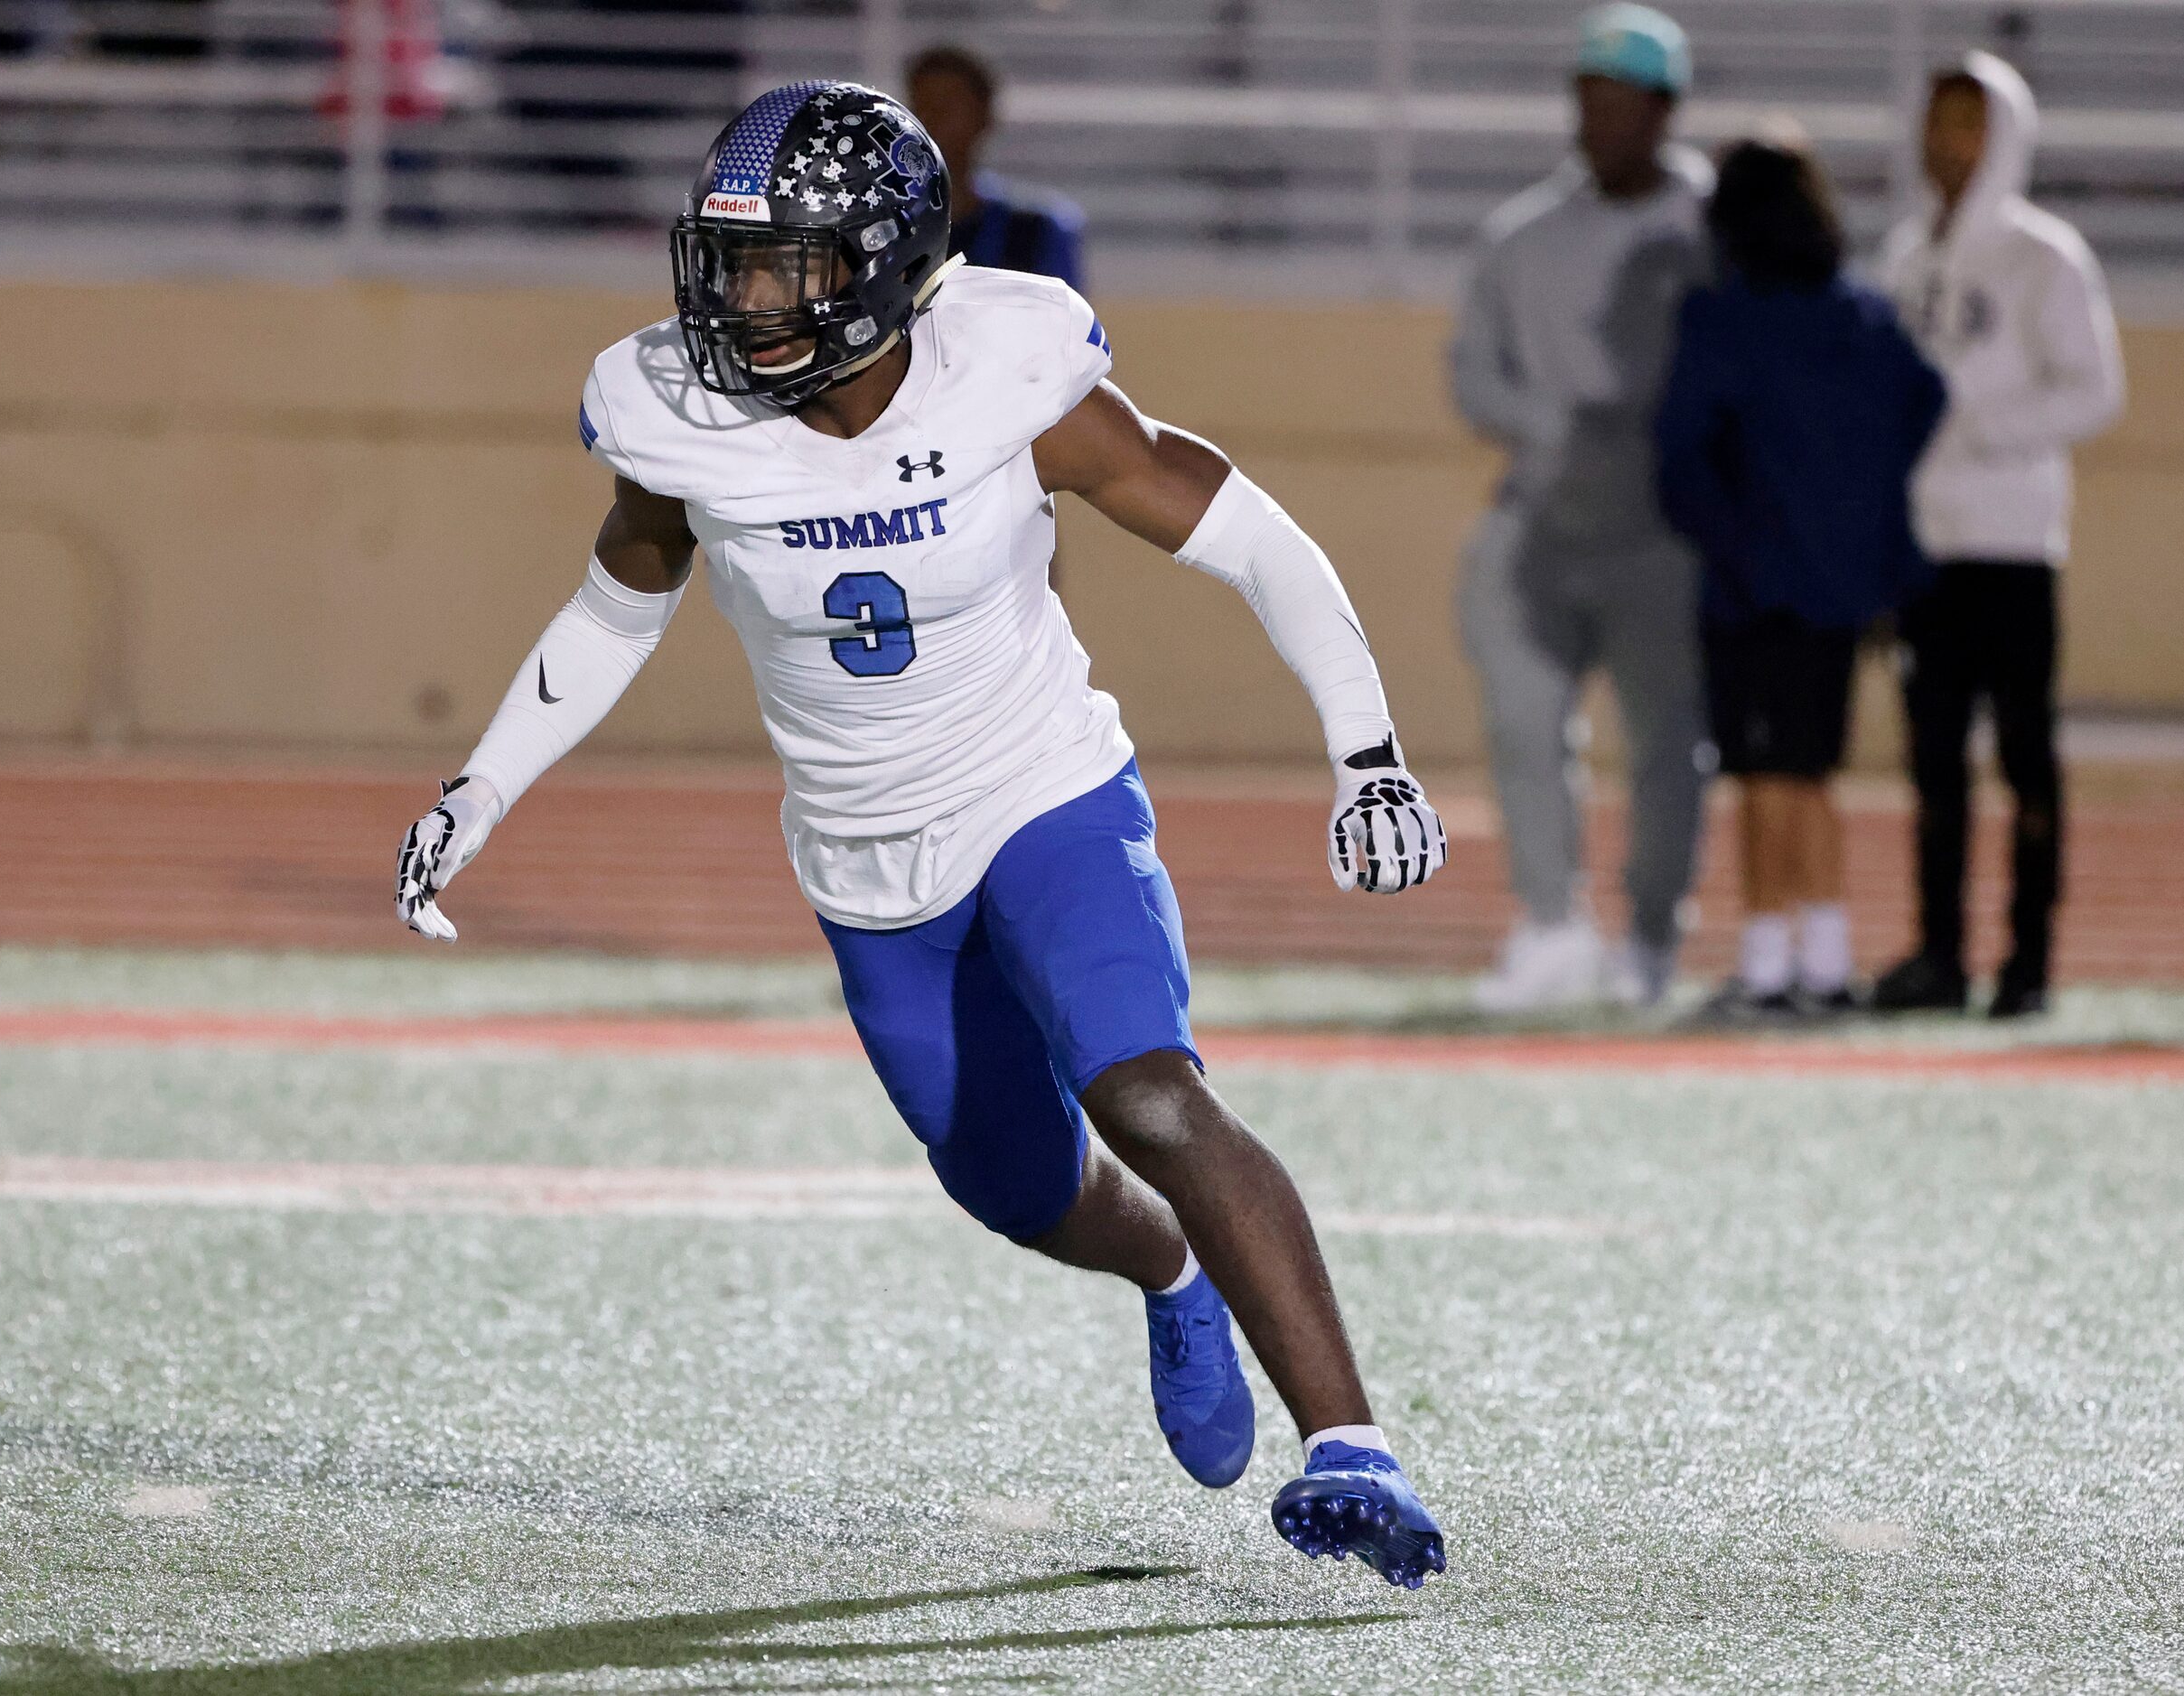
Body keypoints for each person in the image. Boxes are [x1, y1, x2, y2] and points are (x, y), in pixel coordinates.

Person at [395, 81, 1451, 1584]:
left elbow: (1255, 539)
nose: (745, 302)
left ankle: (1351, 1449)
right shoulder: (679, 418)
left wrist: (1367, 756)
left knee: (1147, 1090)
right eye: (730, 262)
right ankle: (1166, 1262)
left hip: (1042, 790)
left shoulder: (1008, 379)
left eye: (787, 267)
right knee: (1014, 1187)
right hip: (863, 855)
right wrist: (478, 787)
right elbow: (618, 601)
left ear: (886, 264)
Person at [1449, 4, 1711, 1012]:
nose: (1598, 121)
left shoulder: (1714, 227)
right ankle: (1552, 925)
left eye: (1621, 102)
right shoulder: (1520, 237)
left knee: (1668, 744)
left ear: (1665, 108)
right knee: (1523, 723)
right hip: (1541, 528)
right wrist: (1559, 423)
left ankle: (1651, 937)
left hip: (1667, 533)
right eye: (1586, 100)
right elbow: (1475, 377)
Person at [1656, 136, 1947, 1017]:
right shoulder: (1862, 316)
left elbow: (1680, 453)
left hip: (1750, 583)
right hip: (1838, 585)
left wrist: (1730, 533)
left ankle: (1768, 961)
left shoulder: (1722, 318)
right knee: (1814, 769)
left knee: (1761, 773)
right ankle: (1825, 959)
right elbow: (1925, 400)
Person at [1872, 54, 2124, 1020]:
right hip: (1922, 545)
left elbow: (2096, 390)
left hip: (2015, 545)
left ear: (2008, 134)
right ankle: (1940, 951)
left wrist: (1981, 427)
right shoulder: (1905, 257)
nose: (1949, 144)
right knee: (1933, 761)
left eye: (1970, 124)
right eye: (1937, 122)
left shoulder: (2044, 255)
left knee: (2025, 758)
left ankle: (2030, 961)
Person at [904, 43, 1087, 293]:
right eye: (922, 105)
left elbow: (1064, 319)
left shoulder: (1037, 230)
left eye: (949, 105)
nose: (933, 118)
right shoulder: (889, 227)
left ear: (984, 115)